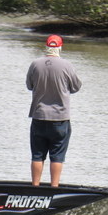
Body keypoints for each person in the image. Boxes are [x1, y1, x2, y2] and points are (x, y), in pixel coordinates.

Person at [26, 34, 82, 187]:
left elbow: (29, 86)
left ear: (46, 47)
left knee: (37, 155)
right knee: (57, 156)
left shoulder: (35, 64)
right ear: (60, 47)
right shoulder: (67, 65)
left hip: (39, 116)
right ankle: (54, 188)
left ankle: (35, 187)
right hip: (60, 118)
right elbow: (76, 87)